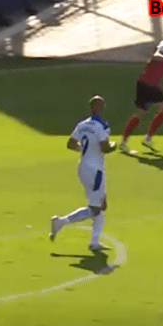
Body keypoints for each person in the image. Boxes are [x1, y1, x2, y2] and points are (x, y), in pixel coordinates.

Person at [50, 95, 117, 251]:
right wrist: (114, 145)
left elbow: (70, 143)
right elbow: (105, 147)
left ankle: (95, 242)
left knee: (101, 204)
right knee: (95, 208)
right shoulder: (101, 126)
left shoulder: (82, 124)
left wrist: (85, 149)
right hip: (95, 170)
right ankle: (60, 222)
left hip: (83, 167)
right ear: (99, 108)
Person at [119, 27, 163, 152]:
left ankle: (145, 138)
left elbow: (155, 64)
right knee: (142, 112)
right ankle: (125, 141)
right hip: (146, 83)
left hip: (152, 84)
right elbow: (156, 56)